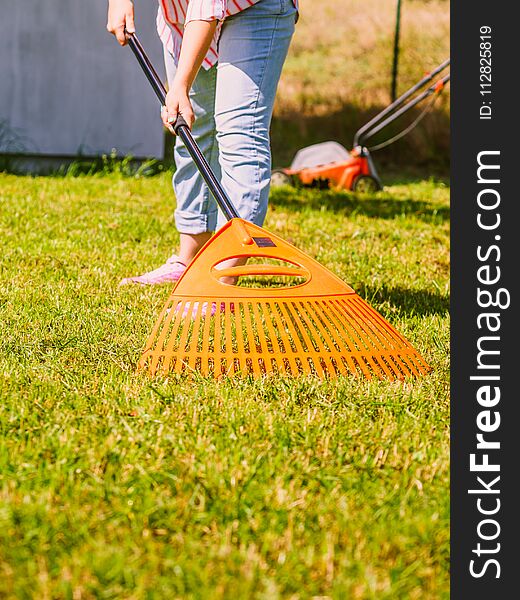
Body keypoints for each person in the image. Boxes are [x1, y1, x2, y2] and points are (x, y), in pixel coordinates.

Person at [107, 0, 298, 285]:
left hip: (253, 7)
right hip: (185, 13)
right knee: (192, 133)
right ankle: (189, 260)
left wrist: (180, 85)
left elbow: (206, 8)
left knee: (239, 131)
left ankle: (222, 276)